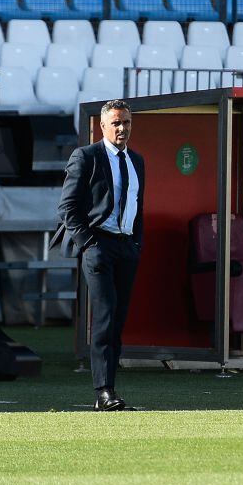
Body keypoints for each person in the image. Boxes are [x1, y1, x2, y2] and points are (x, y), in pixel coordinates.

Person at [58, 100, 145, 412]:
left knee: (118, 320)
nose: (123, 129)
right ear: (103, 126)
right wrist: (88, 243)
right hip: (98, 245)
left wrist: (136, 243)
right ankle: (104, 391)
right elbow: (67, 206)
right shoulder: (86, 156)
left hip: (125, 246)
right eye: (117, 123)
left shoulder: (137, 160)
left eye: (127, 123)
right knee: (105, 317)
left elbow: (138, 206)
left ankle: (110, 389)